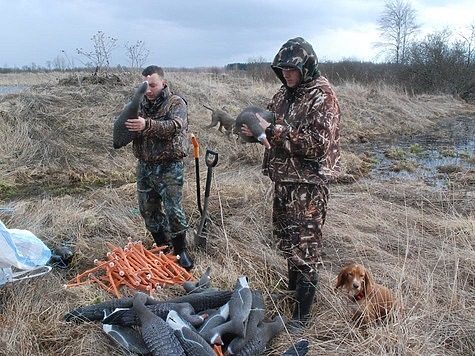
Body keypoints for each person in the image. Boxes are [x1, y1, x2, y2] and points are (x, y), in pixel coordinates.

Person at [242, 37, 341, 329]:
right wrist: (251, 129)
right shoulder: (284, 94)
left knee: (306, 249)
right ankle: (291, 295)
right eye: (282, 68)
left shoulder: (322, 96)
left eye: (292, 68)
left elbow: (317, 145)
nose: (286, 73)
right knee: (286, 242)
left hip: (308, 186)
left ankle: (301, 317)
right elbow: (267, 124)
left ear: (306, 66)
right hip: (283, 181)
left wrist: (273, 130)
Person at [124, 65, 193, 271]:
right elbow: (125, 126)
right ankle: (162, 247)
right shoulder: (139, 103)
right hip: (145, 166)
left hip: (170, 166)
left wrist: (147, 125)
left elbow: (175, 126)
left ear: (163, 83)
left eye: (152, 85)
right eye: (145, 86)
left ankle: (180, 251)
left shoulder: (176, 103)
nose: (148, 90)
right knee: (148, 210)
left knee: (173, 210)